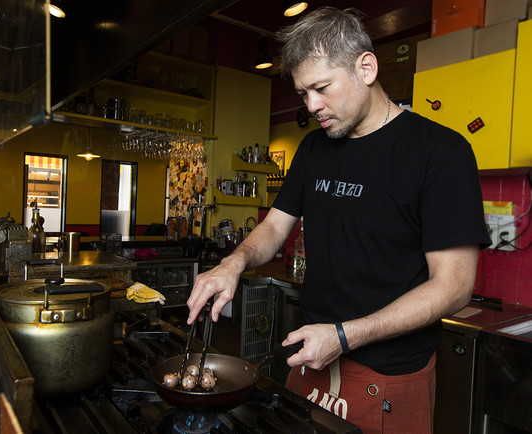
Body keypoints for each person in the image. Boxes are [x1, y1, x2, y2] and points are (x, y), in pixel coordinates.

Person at [186, 6, 491, 434]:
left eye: (322, 88)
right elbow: (275, 227)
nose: (312, 105)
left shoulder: (440, 152)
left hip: (387, 378)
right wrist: (231, 265)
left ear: (365, 67)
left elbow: (455, 286)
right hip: (310, 359)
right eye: (303, 93)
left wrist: (344, 336)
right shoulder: (313, 150)